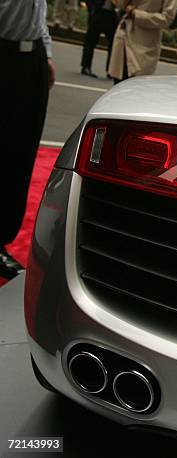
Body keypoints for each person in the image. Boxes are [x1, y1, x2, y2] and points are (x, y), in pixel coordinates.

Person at [0, 0, 55, 278]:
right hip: (4, 56)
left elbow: (38, 11)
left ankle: (0, 241)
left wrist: (45, 54)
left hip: (31, 59)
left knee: (20, 154)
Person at [108, 0, 177, 83]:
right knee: (118, 85)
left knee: (135, 85)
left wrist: (136, 14)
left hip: (144, 43)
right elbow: (120, 4)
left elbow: (167, 18)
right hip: (124, 36)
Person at [81, 0, 118, 78]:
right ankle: (86, 66)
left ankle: (110, 70)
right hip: (98, 12)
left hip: (112, 14)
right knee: (90, 41)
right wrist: (91, 9)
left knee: (114, 43)